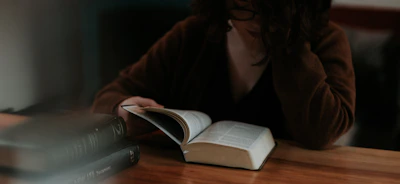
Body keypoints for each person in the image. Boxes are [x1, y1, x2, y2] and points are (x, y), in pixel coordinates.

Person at [91, 0, 356, 150]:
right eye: (243, 6)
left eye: (269, 6)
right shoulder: (193, 34)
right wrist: (124, 112)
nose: (256, 21)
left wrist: (289, 39)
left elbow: (323, 132)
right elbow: (109, 96)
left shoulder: (326, 39)